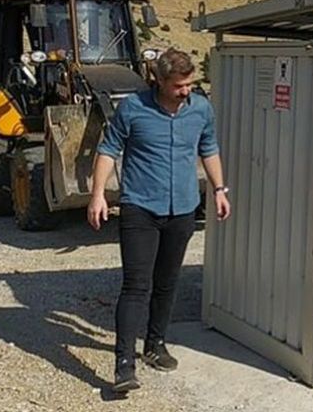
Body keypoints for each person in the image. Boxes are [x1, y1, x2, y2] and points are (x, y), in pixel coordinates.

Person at [88, 48, 231, 394]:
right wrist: (97, 195)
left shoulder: (200, 109)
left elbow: (208, 148)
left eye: (190, 84)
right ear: (160, 80)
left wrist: (219, 189)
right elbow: (108, 150)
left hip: (182, 209)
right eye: (180, 85)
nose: (187, 91)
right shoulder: (133, 108)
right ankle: (124, 364)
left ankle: (155, 344)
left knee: (167, 283)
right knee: (136, 285)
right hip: (140, 208)